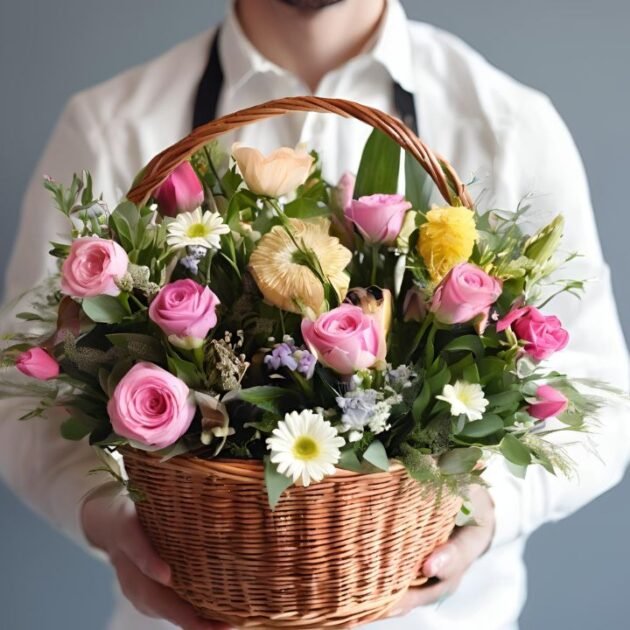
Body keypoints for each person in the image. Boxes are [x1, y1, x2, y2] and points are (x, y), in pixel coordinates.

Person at [1, 1, 628, 629]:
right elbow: (18, 393)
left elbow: (605, 402)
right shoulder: (113, 125)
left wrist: (490, 508)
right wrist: (109, 520)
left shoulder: (508, 122)